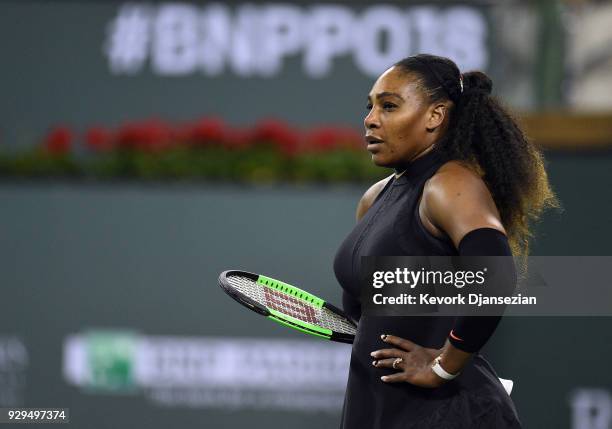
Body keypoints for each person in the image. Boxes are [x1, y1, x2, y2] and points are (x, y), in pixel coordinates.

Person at [333, 54, 558, 428]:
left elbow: (495, 273)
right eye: (370, 106)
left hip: (449, 414)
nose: (371, 119)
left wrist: (445, 366)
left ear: (435, 116)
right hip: (379, 409)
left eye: (389, 106)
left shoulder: (450, 183)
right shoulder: (376, 197)